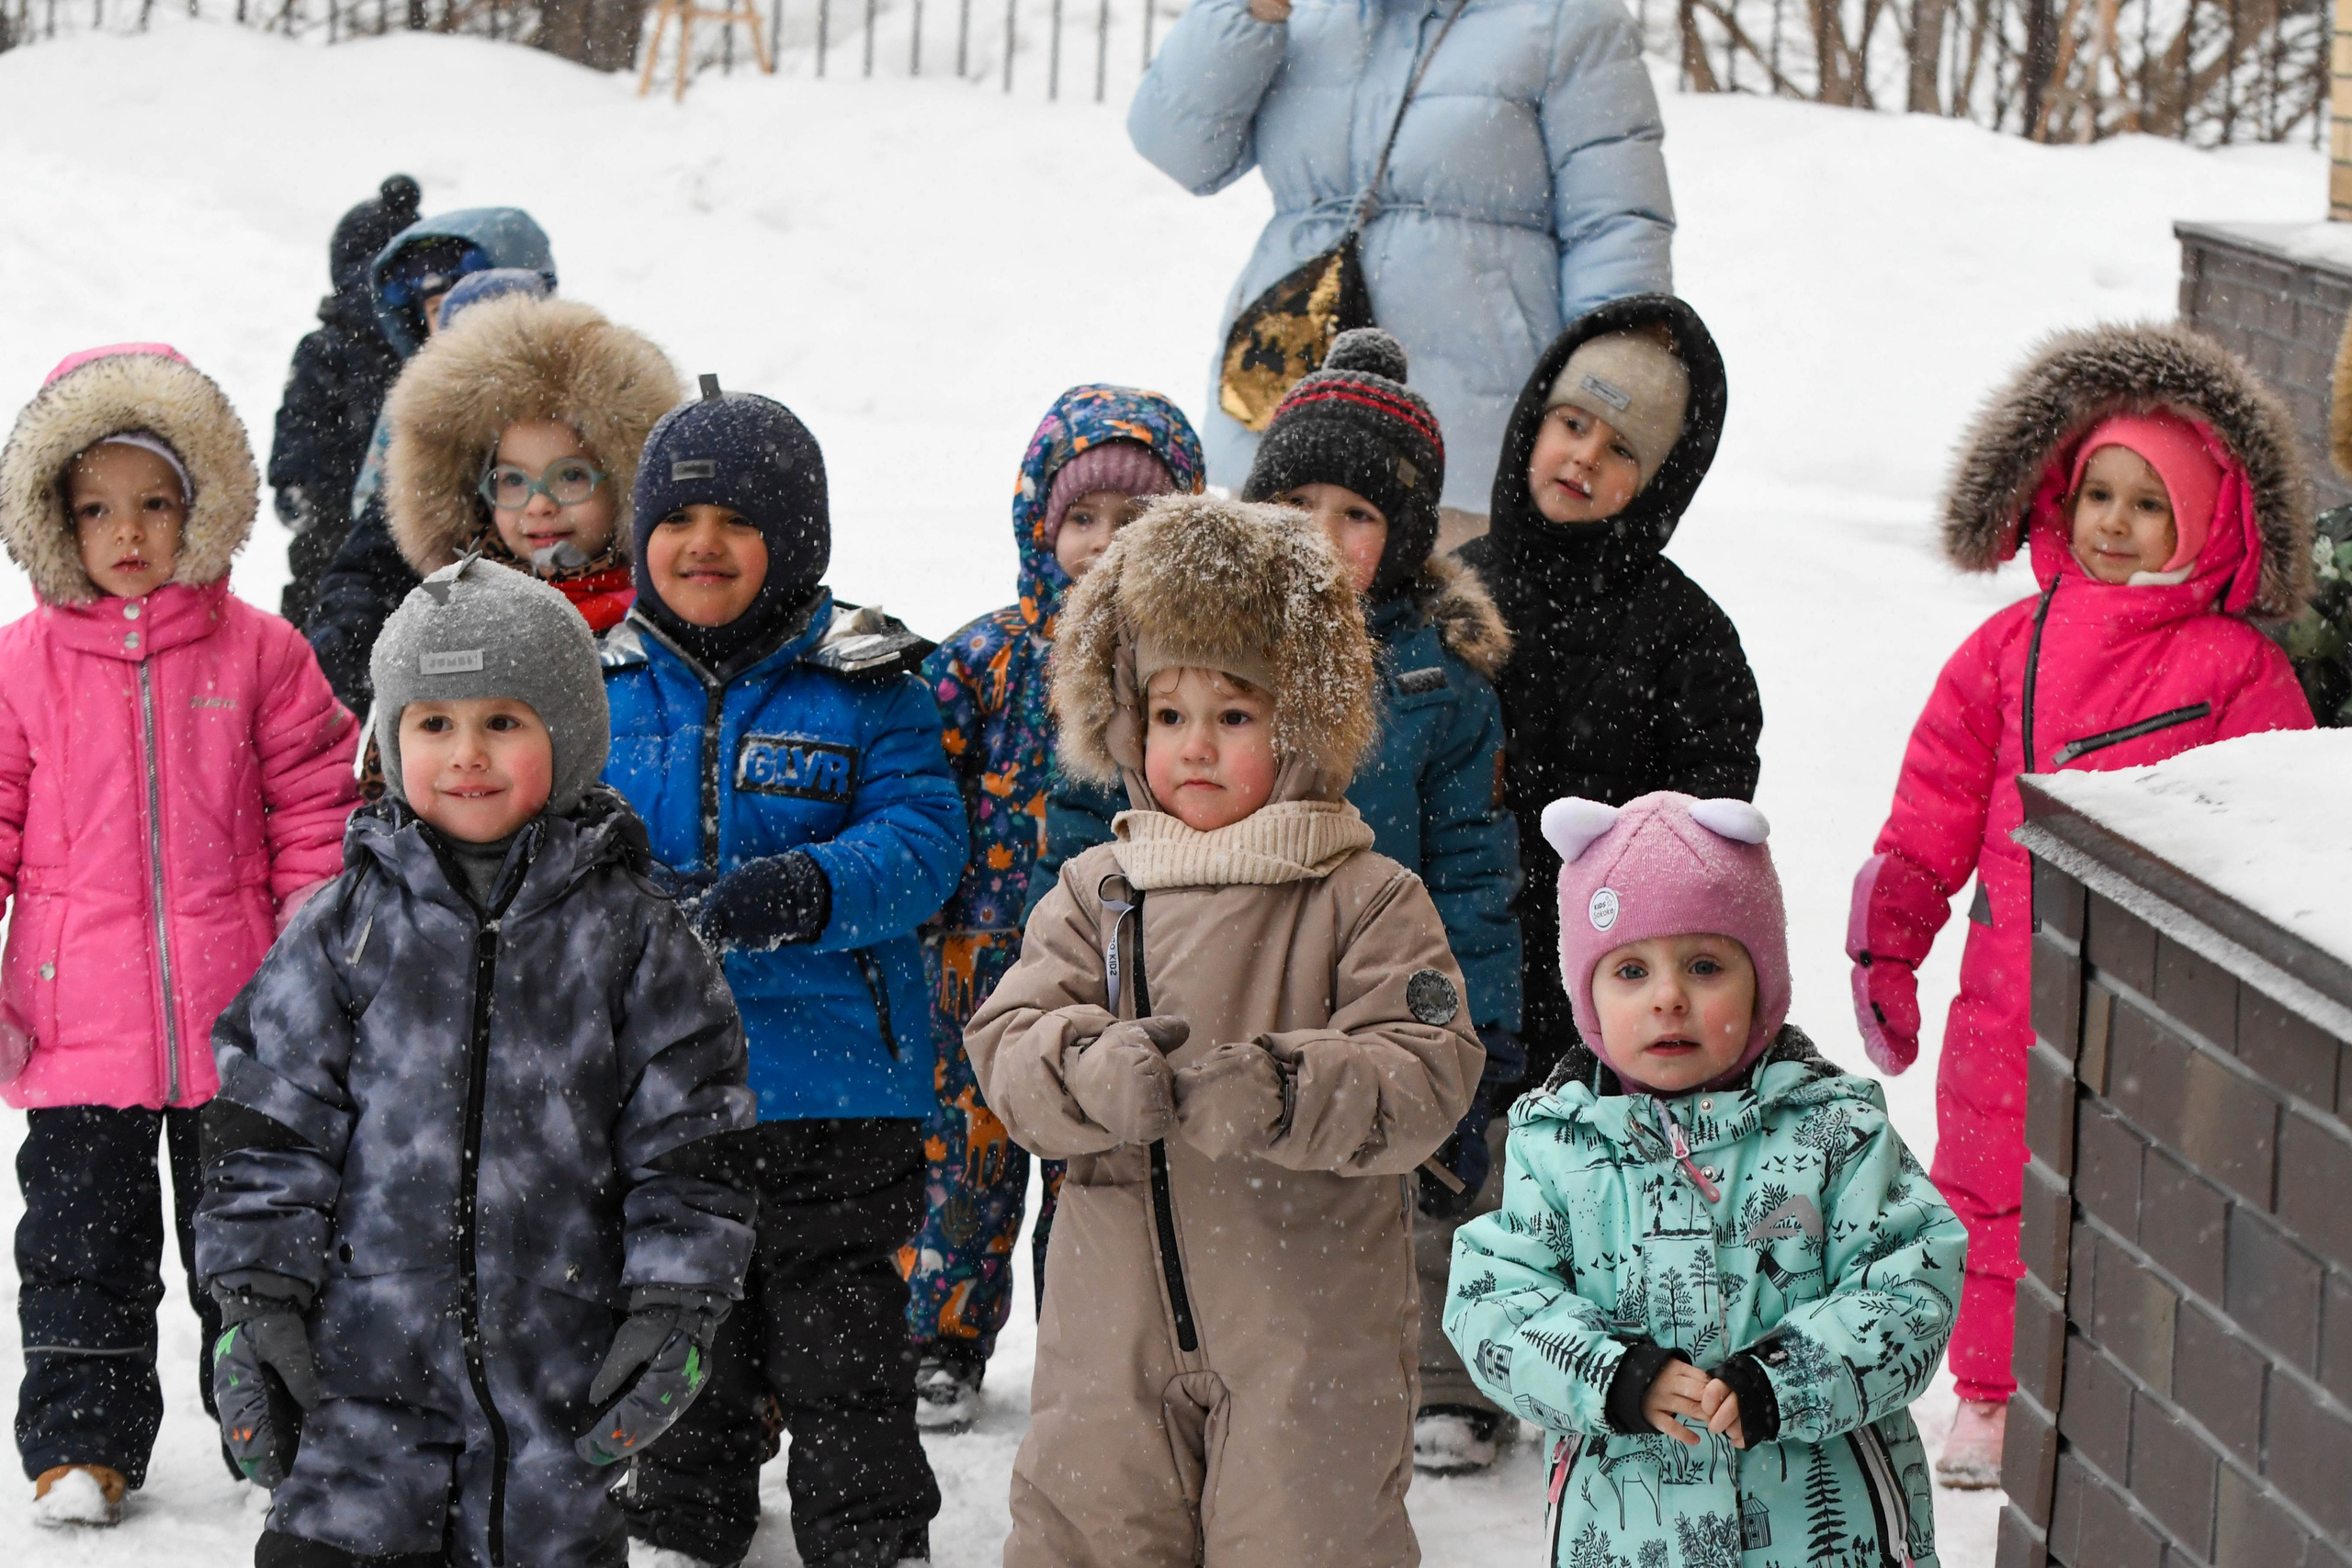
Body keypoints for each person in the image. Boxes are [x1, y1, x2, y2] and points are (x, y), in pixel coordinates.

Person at [195, 558, 756, 1567]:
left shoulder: (633, 936)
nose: (466, 755)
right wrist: (255, 1297)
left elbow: (693, 1142)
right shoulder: (343, 928)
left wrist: (676, 1302)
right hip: (362, 1391)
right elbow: (266, 1130)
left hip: (555, 1393)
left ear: (569, 736)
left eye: (503, 721)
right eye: (433, 723)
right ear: (392, 737)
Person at [967, 494, 1483, 1568]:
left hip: (1306, 1333)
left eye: (1234, 715)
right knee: (1089, 1537)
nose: (1194, 746)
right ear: (1125, 721)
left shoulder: (1366, 895)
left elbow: (1428, 1065)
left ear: (1300, 720)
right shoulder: (1093, 889)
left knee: (1306, 1538)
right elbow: (1008, 1036)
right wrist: (1086, 1070)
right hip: (1109, 1338)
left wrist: (1290, 1089)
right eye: (1167, 715)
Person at [1848, 323, 2316, 1485]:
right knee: (1987, 1190)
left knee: (2138, 1191)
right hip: (2007, 986)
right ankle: (1990, 1392)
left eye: (2147, 504)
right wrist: (1889, 945)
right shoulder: (2005, 650)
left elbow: (2274, 832)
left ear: (2207, 523)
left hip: (2160, 1000)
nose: (2111, 523)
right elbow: (1933, 810)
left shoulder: (2237, 671)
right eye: (2096, 492)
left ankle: (2124, 1380)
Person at [601, 378, 961, 1568]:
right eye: (680, 520)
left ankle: (869, 1534)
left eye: (739, 523)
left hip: (836, 1088)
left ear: (794, 539)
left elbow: (923, 839)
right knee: (685, 1320)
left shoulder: (869, 683)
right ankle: (685, 1520)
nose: (704, 546)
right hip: (665, 1086)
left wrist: (812, 886)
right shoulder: (599, 686)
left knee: (840, 1337)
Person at [0, 344, 359, 1526]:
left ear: (201, 504)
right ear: (56, 519)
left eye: (155, 501)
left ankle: (277, 1436)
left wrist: (311, 950)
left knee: (254, 1250)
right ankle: (81, 1448)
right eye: (97, 507)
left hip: (241, 1023)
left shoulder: (261, 653)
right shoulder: (24, 664)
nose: (129, 532)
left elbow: (317, 802)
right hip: (76, 1024)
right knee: (80, 1254)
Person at [1445, 791, 1968, 1568]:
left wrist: (1780, 1380)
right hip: (1626, 1538)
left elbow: (1912, 1286)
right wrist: (1612, 1375)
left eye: (1704, 965)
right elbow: (1494, 1302)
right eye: (1630, 969)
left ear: (1762, 979)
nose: (1668, 997)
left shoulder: (1834, 1130)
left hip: (1824, 1538)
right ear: (1587, 995)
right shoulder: (1557, 1148)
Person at [901, 384, 1204, 1433]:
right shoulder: (983, 658)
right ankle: (940, 1338)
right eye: (1082, 519)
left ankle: (1082, 1340)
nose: (1104, 543)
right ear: (1039, 524)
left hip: (1118, 965)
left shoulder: (1183, 673)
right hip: (977, 962)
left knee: (1093, 1163)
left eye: (1138, 521)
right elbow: (922, 794)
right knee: (964, 1163)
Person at [1127, 0, 1673, 537]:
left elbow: (1614, 221)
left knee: (1447, 623)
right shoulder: (1309, 14)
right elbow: (1183, 151)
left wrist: (1612, 384)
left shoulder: (1566, 18)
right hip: (1287, 416)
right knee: (1265, 621)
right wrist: (1248, 11)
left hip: (1464, 435)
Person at [1458, 294, 1759, 1096]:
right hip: (1451, 974)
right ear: (1533, 424)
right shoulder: (1455, 595)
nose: (1585, 456)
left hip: (1608, 1010)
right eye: (1573, 423)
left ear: (1662, 481)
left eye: (1622, 447)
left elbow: (1704, 844)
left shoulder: (1689, 638)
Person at [303, 206, 560, 711]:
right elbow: (372, 564)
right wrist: (352, 638)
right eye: (439, 312)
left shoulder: (590, 419)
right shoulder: (431, 444)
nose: (459, 331)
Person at [379, 290, 678, 634]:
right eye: (512, 480)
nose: (539, 505)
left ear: (627, 485)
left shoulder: (664, 623)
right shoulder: (445, 623)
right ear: (477, 500)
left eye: (570, 475)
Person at [267, 172, 422, 628]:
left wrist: (301, 496)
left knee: (325, 636)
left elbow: (295, 430)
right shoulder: (421, 345)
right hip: (406, 520)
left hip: (336, 527)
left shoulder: (328, 347)